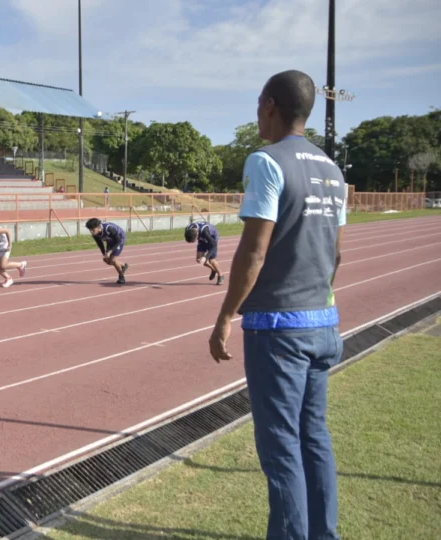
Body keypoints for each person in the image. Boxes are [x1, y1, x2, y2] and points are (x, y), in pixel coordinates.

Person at [209, 70, 348, 540]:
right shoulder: (333, 169)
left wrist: (227, 314)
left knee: (281, 448)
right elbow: (337, 253)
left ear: (270, 105)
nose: (256, 116)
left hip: (279, 329)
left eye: (257, 107)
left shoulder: (266, 161)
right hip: (324, 322)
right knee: (315, 439)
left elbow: (254, 250)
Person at [85, 218, 130, 284]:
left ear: (98, 227)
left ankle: (121, 277)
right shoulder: (95, 234)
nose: (91, 231)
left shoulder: (108, 229)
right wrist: (104, 253)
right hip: (109, 240)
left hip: (119, 239)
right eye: (90, 230)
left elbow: (118, 240)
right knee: (107, 260)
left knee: (113, 260)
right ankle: (123, 265)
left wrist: (110, 252)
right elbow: (100, 243)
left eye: (93, 229)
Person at [185, 221, 225, 285]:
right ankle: (213, 269)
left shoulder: (205, 231)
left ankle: (221, 275)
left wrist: (205, 257)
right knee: (199, 259)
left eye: (195, 240)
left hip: (212, 239)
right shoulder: (188, 229)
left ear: (197, 234)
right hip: (202, 240)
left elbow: (214, 245)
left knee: (211, 260)